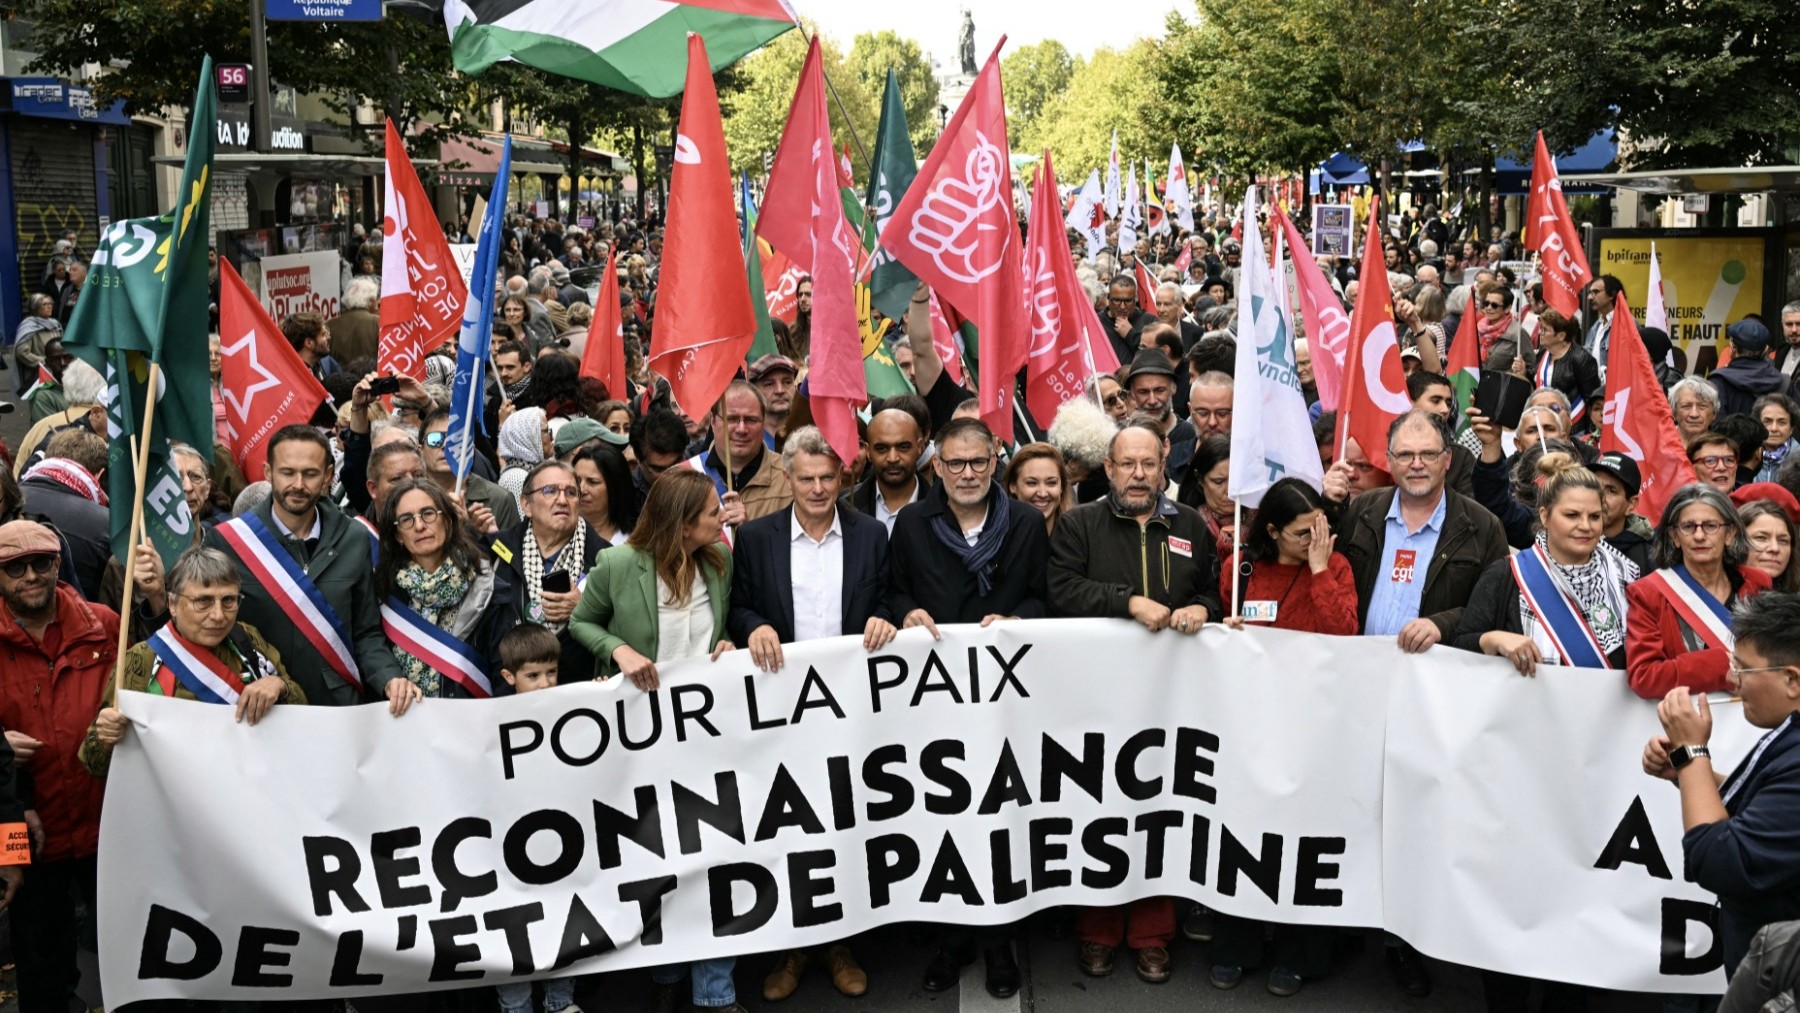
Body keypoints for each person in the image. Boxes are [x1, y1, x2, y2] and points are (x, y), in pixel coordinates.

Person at [1336, 410, 1505, 997]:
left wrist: (1440, 622)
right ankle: (1343, 917)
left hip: (1433, 694)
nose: (1415, 465)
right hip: (1356, 686)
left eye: (1427, 455)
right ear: (1390, 457)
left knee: (1415, 817)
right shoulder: (1360, 510)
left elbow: (1493, 610)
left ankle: (1403, 939)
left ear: (1447, 460)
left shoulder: (1479, 527)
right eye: (1405, 454)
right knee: (1354, 805)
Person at [1048, 420, 1222, 987]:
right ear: (1109, 468)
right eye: (1128, 464)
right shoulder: (1080, 525)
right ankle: (1097, 931)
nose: (1140, 475)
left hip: (1172, 703)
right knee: (1099, 813)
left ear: (1165, 463)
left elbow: (1210, 592)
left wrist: (1201, 608)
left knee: (1160, 814)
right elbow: (1062, 589)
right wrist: (1128, 603)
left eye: (1149, 463)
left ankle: (1152, 936)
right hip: (1097, 701)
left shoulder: (1190, 523)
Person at [727, 428, 893, 1003]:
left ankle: (842, 941)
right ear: (789, 480)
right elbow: (738, 608)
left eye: (828, 477)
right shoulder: (755, 538)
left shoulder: (872, 535)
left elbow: (890, 597)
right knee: (792, 828)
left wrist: (885, 617)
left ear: (842, 478)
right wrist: (755, 627)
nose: (818, 488)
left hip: (853, 712)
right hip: (782, 713)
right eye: (807, 478)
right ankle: (794, 947)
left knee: (846, 825)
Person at [565, 467, 740, 1009]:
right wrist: (619, 651)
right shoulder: (617, 564)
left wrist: (728, 644)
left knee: (715, 862)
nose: (722, 519)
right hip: (641, 744)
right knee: (661, 866)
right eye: (712, 513)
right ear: (682, 524)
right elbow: (582, 624)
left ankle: (715, 992)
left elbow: (715, 630)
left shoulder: (719, 561)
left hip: (707, 738)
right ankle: (666, 978)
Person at [885, 417, 1047, 997]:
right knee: (947, 820)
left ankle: (1000, 942)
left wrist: (1018, 622)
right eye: (955, 463)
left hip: (1006, 700)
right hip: (935, 700)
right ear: (938, 467)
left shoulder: (1026, 523)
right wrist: (907, 613)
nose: (968, 473)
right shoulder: (911, 524)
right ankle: (953, 937)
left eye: (978, 462)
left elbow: (1043, 595)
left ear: (996, 460)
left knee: (999, 819)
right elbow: (893, 589)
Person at [1211, 477, 1353, 995]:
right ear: (1271, 531)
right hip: (1250, 724)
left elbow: (1344, 637)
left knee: (1302, 841)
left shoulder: (1334, 566)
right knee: (1243, 838)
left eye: (1320, 524)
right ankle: (1237, 944)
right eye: (1300, 532)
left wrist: (1318, 570)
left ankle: (1301, 953)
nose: (1316, 536)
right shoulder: (1241, 569)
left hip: (1312, 727)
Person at [1642, 592, 1800, 980]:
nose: (1733, 681)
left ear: (1791, 679)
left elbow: (1719, 859)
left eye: (1744, 670)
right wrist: (1687, 771)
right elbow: (1766, 807)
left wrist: (1692, 751)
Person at [0, 520, 117, 1013]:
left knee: (123, 951)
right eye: (14, 567)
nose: (31, 575)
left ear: (57, 564)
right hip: (30, 825)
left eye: (42, 562)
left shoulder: (105, 625)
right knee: (41, 964)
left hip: (108, 824)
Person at [204, 425, 404, 707]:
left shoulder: (355, 538)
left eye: (310, 473)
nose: (298, 484)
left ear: (328, 477)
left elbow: (366, 632)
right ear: (267, 472)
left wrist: (389, 678)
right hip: (260, 710)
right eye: (287, 472)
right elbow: (206, 628)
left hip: (337, 709)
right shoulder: (228, 542)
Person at [81, 545, 305, 778]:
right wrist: (105, 737)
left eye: (228, 600)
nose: (218, 615)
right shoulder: (141, 661)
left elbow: (302, 712)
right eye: (203, 602)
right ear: (173, 604)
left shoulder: (247, 638)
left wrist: (279, 686)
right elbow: (93, 761)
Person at [1455, 452, 1639, 677]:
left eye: (1594, 516)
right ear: (1544, 516)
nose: (1585, 526)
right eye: (1572, 515)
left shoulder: (1627, 574)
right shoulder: (1507, 575)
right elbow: (1460, 646)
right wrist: (1492, 639)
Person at [487, 625, 580, 1013]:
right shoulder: (490, 720)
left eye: (552, 672)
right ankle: (516, 1006)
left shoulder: (574, 709)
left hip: (560, 847)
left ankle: (561, 1003)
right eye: (533, 676)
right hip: (511, 853)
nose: (545, 684)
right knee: (514, 933)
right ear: (509, 677)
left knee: (565, 924)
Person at [1625, 483, 1772, 701]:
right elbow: (1645, 676)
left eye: (1711, 525)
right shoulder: (1648, 593)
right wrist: (1724, 664)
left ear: (1730, 534)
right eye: (1688, 526)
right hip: (1687, 719)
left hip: (1752, 719)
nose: (1700, 535)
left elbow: (1772, 657)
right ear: (1675, 536)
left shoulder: (1757, 582)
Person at [376, 479, 516, 706]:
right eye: (406, 520)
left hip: (475, 725)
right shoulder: (384, 593)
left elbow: (505, 673)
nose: (420, 526)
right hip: (405, 726)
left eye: (428, 514)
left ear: (448, 521)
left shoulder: (488, 588)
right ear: (398, 535)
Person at [492, 460, 602, 682]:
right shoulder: (495, 552)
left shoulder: (603, 559)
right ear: (526, 504)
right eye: (549, 491)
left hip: (580, 691)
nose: (562, 500)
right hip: (510, 693)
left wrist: (584, 608)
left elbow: (622, 629)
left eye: (571, 493)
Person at [683, 381, 793, 526]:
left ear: (763, 423)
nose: (741, 429)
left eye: (751, 420)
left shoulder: (791, 478)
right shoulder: (683, 478)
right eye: (732, 419)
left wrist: (749, 532)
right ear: (713, 421)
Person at [420, 409, 521, 534]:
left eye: (456, 439)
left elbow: (510, 553)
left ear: (471, 449)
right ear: (420, 449)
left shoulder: (499, 499)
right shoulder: (410, 498)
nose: (446, 445)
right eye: (435, 439)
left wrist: (481, 534)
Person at [842, 407, 928, 532]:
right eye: (881, 448)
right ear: (868, 451)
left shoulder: (942, 507)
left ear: (919, 447)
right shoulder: (845, 506)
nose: (893, 458)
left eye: (903, 447)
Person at [1126, 349, 1198, 485]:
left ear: (1174, 388)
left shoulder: (1191, 435)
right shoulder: (1121, 438)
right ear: (1132, 394)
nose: (1152, 400)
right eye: (1143, 392)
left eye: (1160, 390)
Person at [1529, 309, 1603, 436]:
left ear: (1561, 336)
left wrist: (1591, 434)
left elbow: (1591, 399)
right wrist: (1524, 371)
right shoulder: (1543, 353)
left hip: (1573, 429)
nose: (1540, 333)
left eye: (1545, 330)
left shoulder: (1581, 358)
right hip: (1544, 424)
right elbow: (1538, 382)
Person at [1713, 319, 1791, 418]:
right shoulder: (1785, 382)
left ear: (1732, 347)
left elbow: (1715, 425)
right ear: (1765, 350)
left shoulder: (1718, 381)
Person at [571, 443, 634, 546]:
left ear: (615, 487)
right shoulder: (557, 533)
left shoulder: (632, 544)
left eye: (592, 482)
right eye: (577, 480)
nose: (581, 489)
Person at [1737, 497, 1800, 593]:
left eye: (1783, 541)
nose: (1775, 548)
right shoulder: (1713, 598)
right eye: (1761, 538)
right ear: (1735, 541)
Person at [1005, 442, 1070, 533]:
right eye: (1032, 483)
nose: (1042, 493)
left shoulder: (1080, 541)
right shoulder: (996, 541)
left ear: (1061, 487)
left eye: (1051, 483)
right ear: (1013, 486)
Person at [496, 405, 550, 507]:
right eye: (546, 431)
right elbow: (523, 520)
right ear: (531, 436)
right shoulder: (517, 478)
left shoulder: (532, 470)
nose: (551, 437)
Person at [328, 276, 381, 367]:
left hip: (340, 379)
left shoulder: (330, 324)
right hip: (371, 377)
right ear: (371, 301)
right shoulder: (377, 322)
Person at [280, 310, 339, 382]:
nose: (328, 337)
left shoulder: (323, 367)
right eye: (323, 334)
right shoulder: (293, 379)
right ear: (309, 343)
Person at [24, 338, 72, 422]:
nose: (63, 363)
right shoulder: (43, 397)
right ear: (47, 362)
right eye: (56, 359)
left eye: (67, 357)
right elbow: (55, 432)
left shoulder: (84, 386)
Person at [1754, 394, 1800, 483]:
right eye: (1767, 421)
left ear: (1791, 429)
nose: (1774, 428)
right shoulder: (1744, 458)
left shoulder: (1798, 459)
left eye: (1782, 422)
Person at [1671, 377, 1722, 448]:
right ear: (1673, 412)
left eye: (1702, 407)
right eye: (1686, 406)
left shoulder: (1721, 449)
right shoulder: (1658, 443)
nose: (1694, 414)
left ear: (1714, 413)